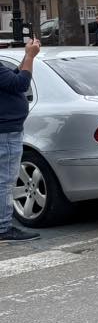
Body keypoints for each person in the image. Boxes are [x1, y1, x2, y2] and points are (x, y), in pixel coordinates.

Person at [0, 37, 41, 242]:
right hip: (6, 132)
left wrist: (26, 55)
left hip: (5, 130)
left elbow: (11, 78)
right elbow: (21, 83)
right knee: (5, 182)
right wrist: (31, 57)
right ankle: (3, 228)